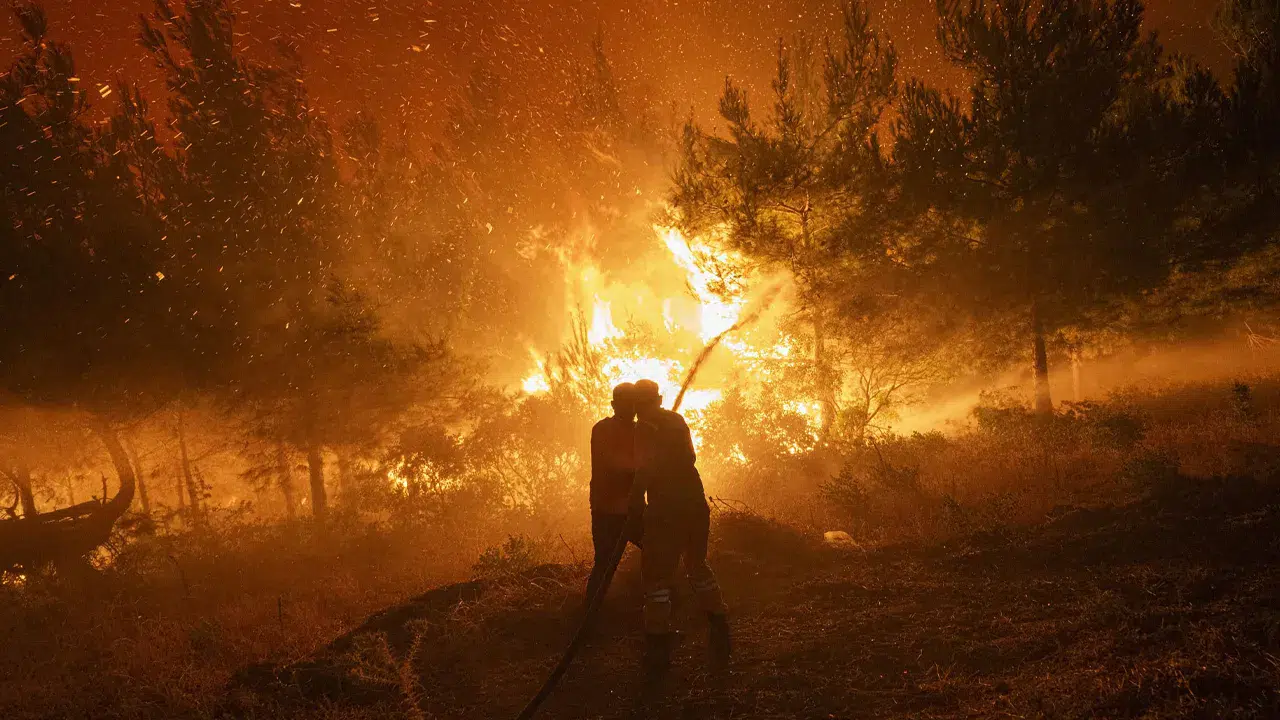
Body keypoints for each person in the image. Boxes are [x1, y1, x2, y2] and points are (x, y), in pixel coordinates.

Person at [627, 378, 730, 690]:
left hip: (666, 512)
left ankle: (658, 644)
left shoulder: (643, 430)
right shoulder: (676, 421)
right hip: (695, 506)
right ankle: (719, 623)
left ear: (637, 405)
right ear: (659, 399)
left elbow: (643, 472)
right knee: (697, 565)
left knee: (656, 577)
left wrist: (634, 506)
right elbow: (689, 458)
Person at [586, 382, 642, 602]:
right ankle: (590, 612)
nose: (630, 408)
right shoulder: (603, 430)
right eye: (625, 403)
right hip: (608, 511)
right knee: (605, 564)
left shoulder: (641, 430)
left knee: (658, 551)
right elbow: (612, 463)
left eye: (633, 403)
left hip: (631, 509)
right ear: (613, 405)